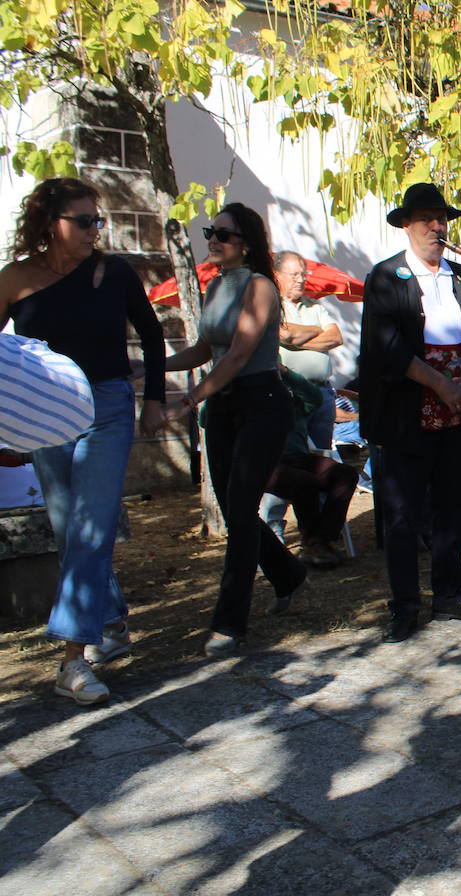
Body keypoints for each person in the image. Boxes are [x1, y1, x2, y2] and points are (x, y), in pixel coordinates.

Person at [0, 177, 166, 703]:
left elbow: (153, 334)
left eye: (99, 220)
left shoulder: (113, 273)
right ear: (52, 223)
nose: (97, 229)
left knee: (92, 526)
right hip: (43, 416)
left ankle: (72, 661)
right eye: (85, 220)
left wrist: (156, 400)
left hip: (108, 408)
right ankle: (111, 622)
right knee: (70, 529)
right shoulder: (15, 279)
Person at [357, 182, 461, 643]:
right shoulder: (385, 277)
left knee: (454, 509)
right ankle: (404, 605)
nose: (436, 226)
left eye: (441, 218)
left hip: (459, 414)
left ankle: (449, 592)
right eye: (425, 218)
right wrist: (440, 384)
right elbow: (387, 349)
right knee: (401, 515)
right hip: (409, 413)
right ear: (406, 225)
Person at [164, 203, 306, 656]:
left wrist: (194, 395)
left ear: (244, 240)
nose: (213, 239)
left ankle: (229, 623)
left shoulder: (260, 286)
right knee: (233, 507)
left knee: (242, 510)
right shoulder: (215, 286)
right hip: (226, 405)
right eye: (210, 231)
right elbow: (206, 348)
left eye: (222, 234)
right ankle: (288, 573)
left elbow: (241, 352)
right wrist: (151, 368)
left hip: (261, 401)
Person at [265, 367, 360, 569]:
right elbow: (207, 418)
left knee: (346, 474)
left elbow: (314, 396)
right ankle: (314, 542)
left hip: (299, 458)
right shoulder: (246, 401)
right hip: (264, 463)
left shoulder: (293, 402)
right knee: (303, 481)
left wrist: (285, 372)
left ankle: (321, 539)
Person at [275, 251, 342, 448]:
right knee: (296, 452)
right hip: (292, 393)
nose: (301, 280)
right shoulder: (273, 306)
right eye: (294, 275)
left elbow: (336, 337)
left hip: (323, 392)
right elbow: (285, 334)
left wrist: (296, 341)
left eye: (303, 274)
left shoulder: (314, 306)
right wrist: (317, 330)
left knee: (322, 453)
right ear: (277, 275)